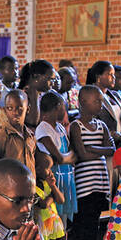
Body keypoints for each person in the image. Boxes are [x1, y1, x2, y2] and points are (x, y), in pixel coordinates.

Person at [70, 85, 115, 240]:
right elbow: (82, 154)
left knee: (94, 227)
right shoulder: (75, 126)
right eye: (96, 100)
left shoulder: (101, 125)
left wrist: (94, 148)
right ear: (83, 102)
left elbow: (112, 149)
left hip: (100, 184)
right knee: (83, 227)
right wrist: (99, 150)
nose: (101, 104)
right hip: (84, 185)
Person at [35, 91, 77, 224]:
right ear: (57, 107)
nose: (65, 110)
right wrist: (67, 157)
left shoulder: (60, 127)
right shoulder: (43, 129)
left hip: (67, 178)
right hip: (54, 180)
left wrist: (67, 157)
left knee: (64, 222)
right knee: (53, 220)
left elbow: (72, 155)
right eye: (64, 107)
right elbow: (60, 157)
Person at [35, 151, 75, 240]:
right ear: (37, 169)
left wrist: (52, 186)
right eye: (48, 168)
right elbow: (44, 204)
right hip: (44, 229)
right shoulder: (32, 186)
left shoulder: (48, 184)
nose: (51, 171)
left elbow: (61, 199)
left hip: (56, 227)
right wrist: (51, 197)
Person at [0, 89, 37, 177]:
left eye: (20, 108)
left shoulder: (31, 136)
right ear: (4, 110)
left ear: (28, 109)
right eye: (10, 108)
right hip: (10, 188)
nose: (15, 113)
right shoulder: (1, 137)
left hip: (29, 187)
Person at [88, 61, 121, 147]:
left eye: (114, 74)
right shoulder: (90, 96)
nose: (114, 77)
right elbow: (92, 123)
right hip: (105, 144)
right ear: (98, 77)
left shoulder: (116, 95)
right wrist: (117, 136)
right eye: (110, 74)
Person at [18, 59, 56, 128]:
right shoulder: (21, 96)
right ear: (36, 77)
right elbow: (32, 122)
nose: (52, 83)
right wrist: (34, 97)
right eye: (50, 79)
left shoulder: (42, 94)